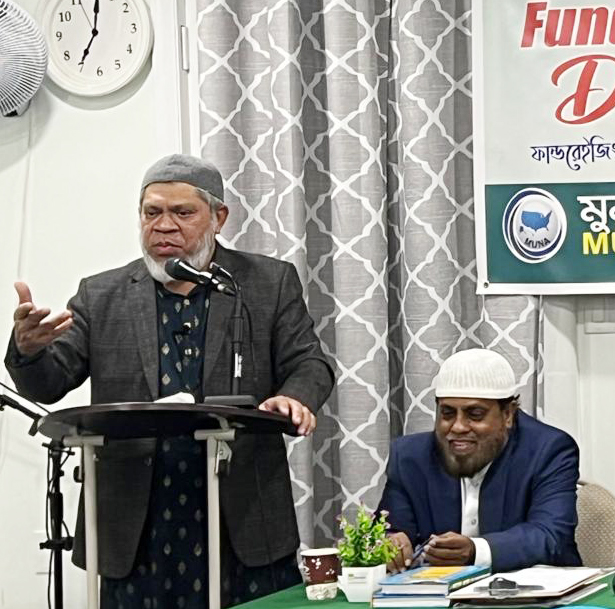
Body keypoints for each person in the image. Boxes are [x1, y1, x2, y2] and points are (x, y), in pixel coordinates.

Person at [6, 154, 332, 608]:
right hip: (135, 524)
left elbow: (310, 362)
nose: (163, 226)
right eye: (152, 212)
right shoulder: (101, 294)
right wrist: (28, 350)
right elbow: (48, 383)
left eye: (182, 213)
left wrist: (293, 397)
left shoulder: (266, 283)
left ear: (219, 217)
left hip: (241, 516)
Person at [378, 348, 580, 571]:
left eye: (475, 414)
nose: (458, 427)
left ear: (508, 414)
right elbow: (392, 529)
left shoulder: (548, 450)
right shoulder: (409, 457)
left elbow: (551, 536)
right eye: (447, 413)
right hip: (437, 589)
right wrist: (391, 543)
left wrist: (476, 551)